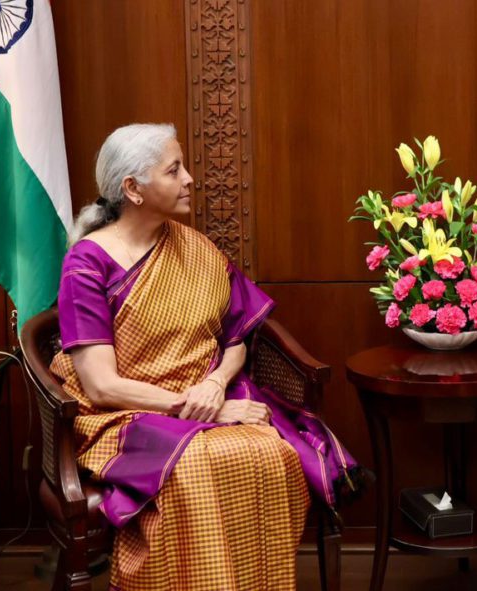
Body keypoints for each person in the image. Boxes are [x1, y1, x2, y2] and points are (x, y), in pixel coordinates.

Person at [50, 123, 361, 590]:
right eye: (173, 170)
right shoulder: (87, 264)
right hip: (124, 415)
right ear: (132, 188)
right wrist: (205, 409)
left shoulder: (195, 247)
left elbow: (237, 337)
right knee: (194, 463)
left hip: (206, 395)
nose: (189, 179)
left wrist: (215, 384)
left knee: (270, 452)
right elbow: (101, 386)